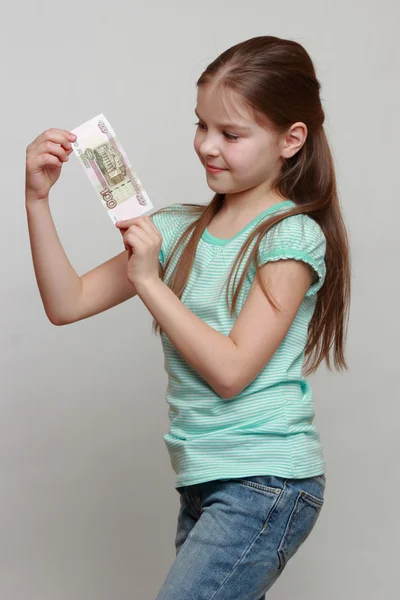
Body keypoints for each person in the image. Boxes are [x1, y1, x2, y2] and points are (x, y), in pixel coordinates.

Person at [25, 35, 351, 600]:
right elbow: (67, 302)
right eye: (201, 125)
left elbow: (231, 372)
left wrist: (149, 280)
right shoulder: (176, 228)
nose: (207, 146)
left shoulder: (290, 237)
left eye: (232, 133)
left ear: (290, 140)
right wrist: (37, 201)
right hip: (202, 478)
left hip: (266, 482)